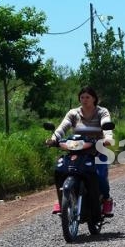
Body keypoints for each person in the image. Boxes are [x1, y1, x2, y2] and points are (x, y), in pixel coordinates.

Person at [46, 86, 114, 216]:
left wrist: (108, 138)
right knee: (61, 170)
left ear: (94, 98)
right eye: (82, 97)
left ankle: (106, 200)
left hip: (97, 150)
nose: (84, 100)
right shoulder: (73, 113)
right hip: (76, 150)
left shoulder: (102, 112)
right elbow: (62, 127)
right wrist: (54, 139)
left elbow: (106, 125)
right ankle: (62, 199)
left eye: (87, 97)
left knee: (99, 176)